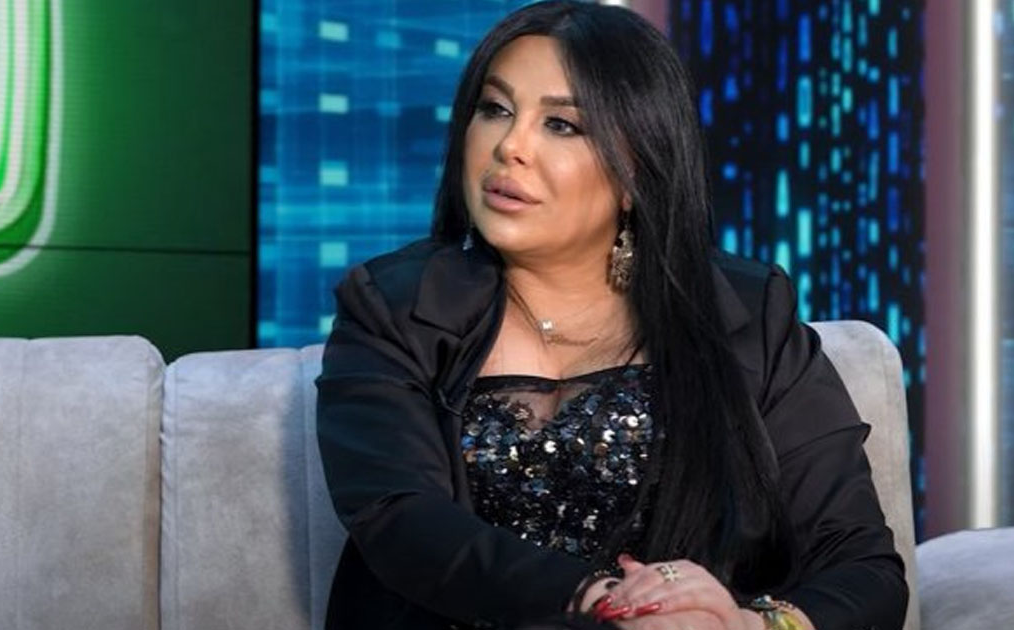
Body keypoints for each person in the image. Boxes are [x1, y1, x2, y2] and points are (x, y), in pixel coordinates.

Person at [315, 2, 908, 629]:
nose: (510, 147)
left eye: (561, 125)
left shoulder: (749, 315)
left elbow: (861, 564)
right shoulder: (393, 307)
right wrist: (610, 605)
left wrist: (746, 625)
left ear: (636, 172)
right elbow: (402, 520)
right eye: (495, 109)